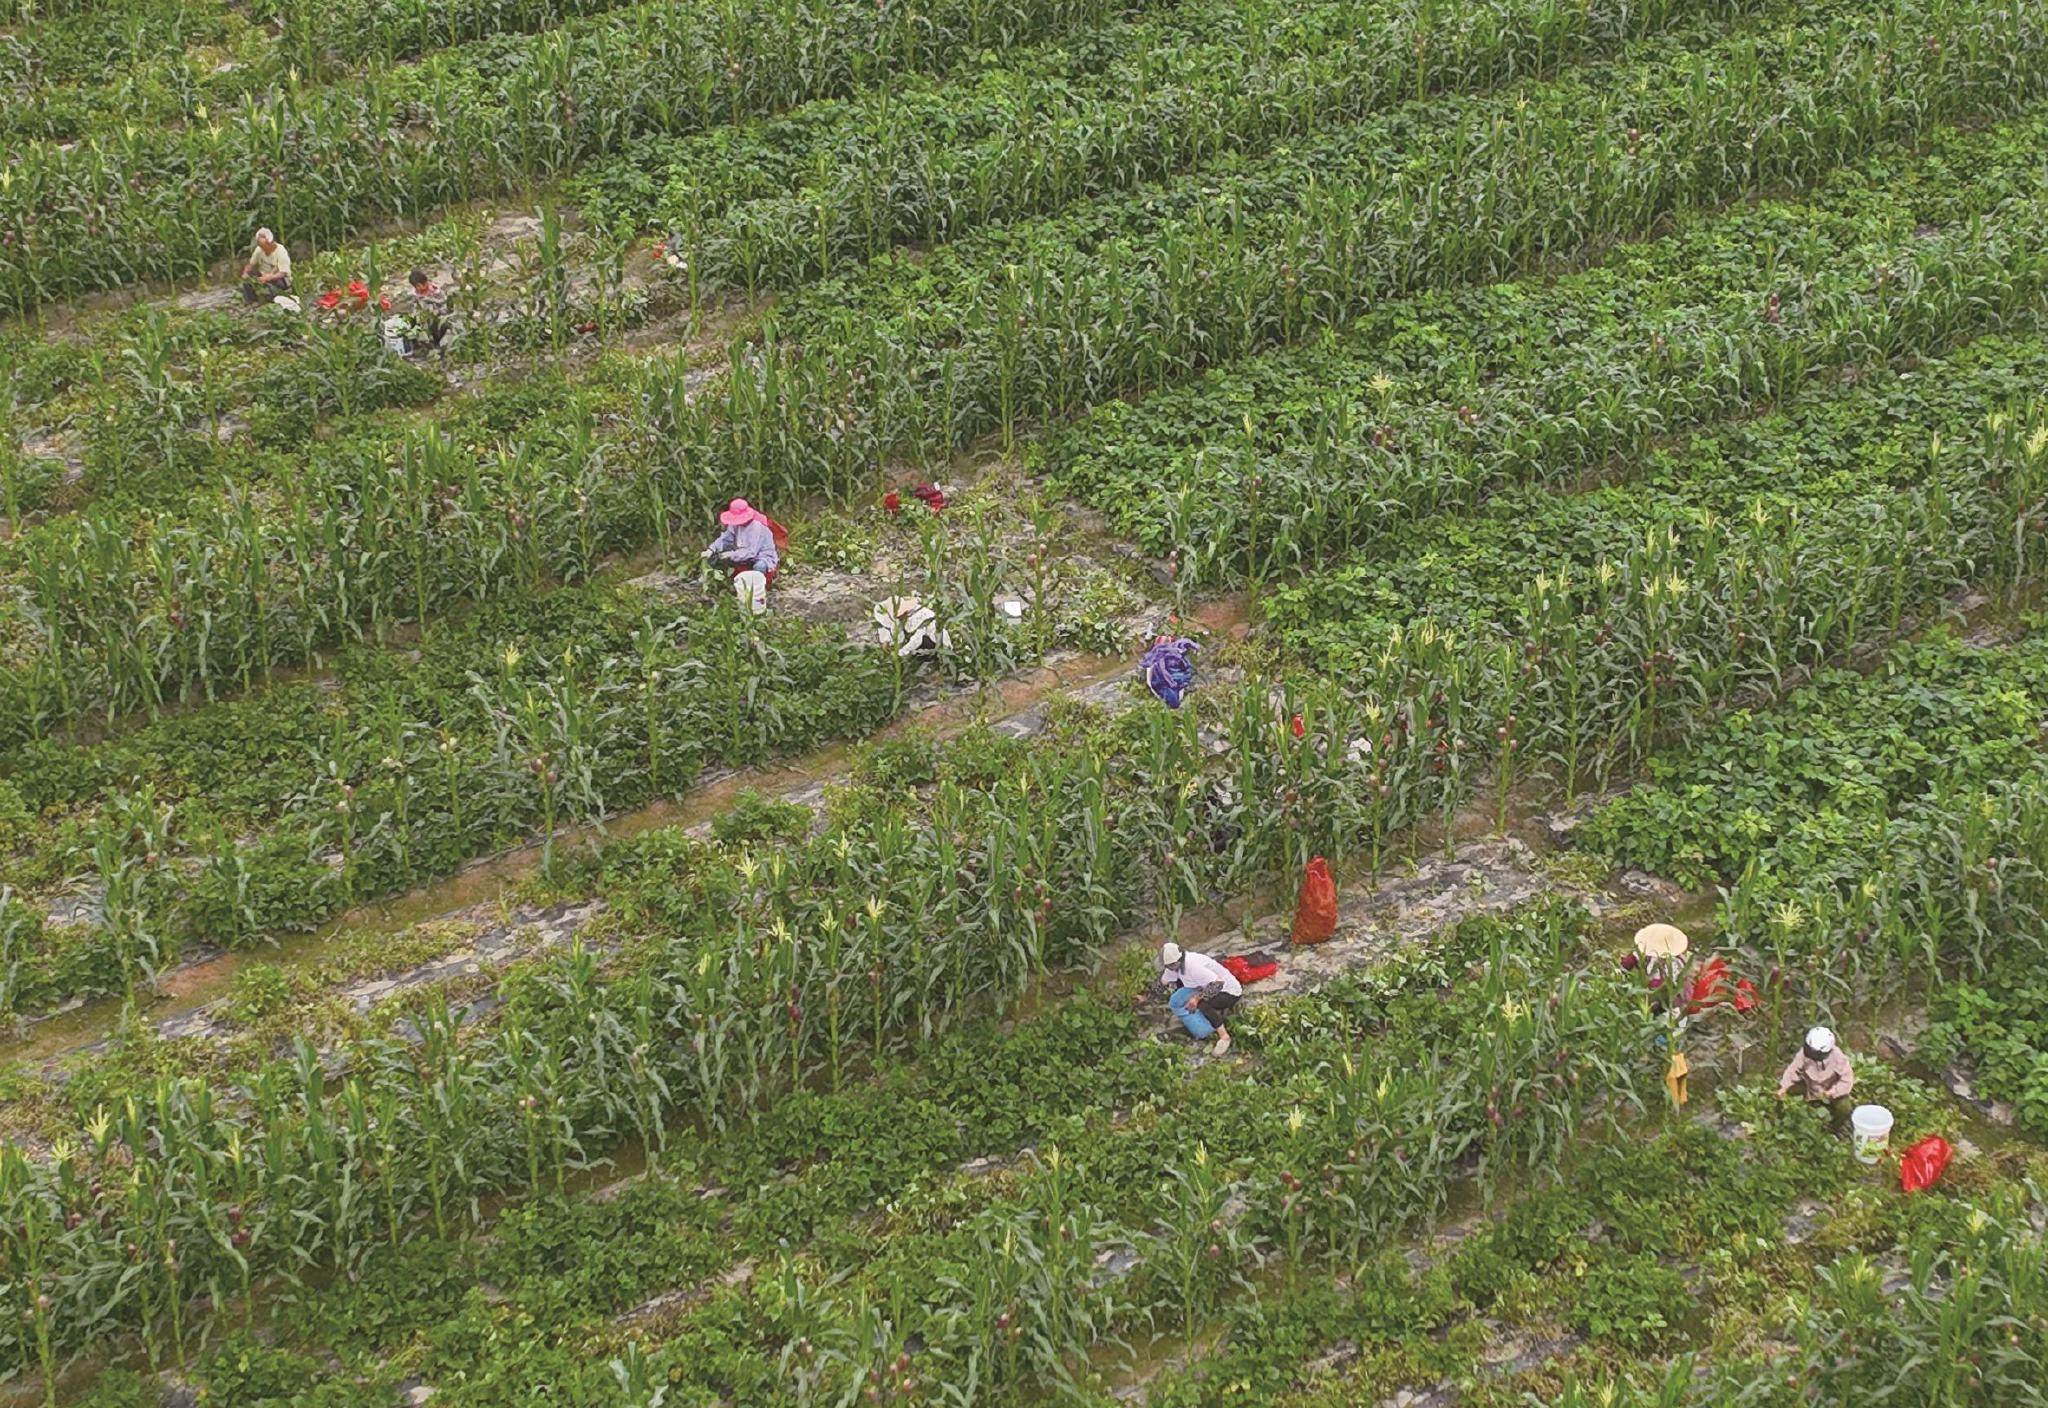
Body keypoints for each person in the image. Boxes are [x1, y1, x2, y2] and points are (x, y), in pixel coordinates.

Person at [703, 498, 783, 616]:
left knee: (759, 567)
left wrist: (731, 555)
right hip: (742, 554)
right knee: (718, 560)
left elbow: (751, 552)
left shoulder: (757, 527)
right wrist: (712, 548)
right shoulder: (735, 525)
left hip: (761, 556)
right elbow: (726, 539)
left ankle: (760, 592)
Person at [1159, 941, 1240, 1056]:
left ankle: (1224, 1036)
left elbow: (1218, 984)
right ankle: (1202, 1024)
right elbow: (1163, 982)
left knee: (1202, 1003)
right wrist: (1145, 996)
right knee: (1177, 996)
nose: (1169, 969)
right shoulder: (1175, 966)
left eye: (1171, 966)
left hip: (1228, 991)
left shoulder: (1193, 967)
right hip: (1202, 985)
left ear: (1178, 961)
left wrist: (1197, 999)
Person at [1777, 1025, 1854, 1127]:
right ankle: (1782, 1121)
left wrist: (1832, 1092)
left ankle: (1832, 1128)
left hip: (1830, 1090)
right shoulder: (1803, 1054)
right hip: (1809, 1086)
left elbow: (1847, 1080)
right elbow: (1793, 1070)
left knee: (1845, 1108)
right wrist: (1784, 1087)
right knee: (1784, 1095)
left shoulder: (1838, 1058)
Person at [401, 268, 450, 356]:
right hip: (421, 318)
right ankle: (412, 349)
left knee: (439, 325)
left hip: (436, 319)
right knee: (407, 325)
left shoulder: (436, 291)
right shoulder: (414, 295)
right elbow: (413, 309)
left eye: (424, 284)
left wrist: (436, 311)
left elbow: (444, 306)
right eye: (418, 286)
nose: (421, 287)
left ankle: (437, 346)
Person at [240, 229, 293, 303]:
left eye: (264, 246)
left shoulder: (281, 251)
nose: (262, 248)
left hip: (279, 278)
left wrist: (269, 277)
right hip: (263, 275)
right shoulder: (259, 250)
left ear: (270, 243)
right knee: (248, 279)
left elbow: (283, 273)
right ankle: (251, 300)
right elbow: (251, 264)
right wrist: (245, 273)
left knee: (273, 288)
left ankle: (273, 299)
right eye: (261, 246)